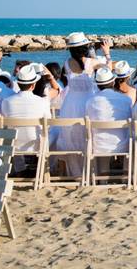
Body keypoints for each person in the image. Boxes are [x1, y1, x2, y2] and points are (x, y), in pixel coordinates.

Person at [53, 32, 110, 178]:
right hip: (87, 102)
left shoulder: (66, 63)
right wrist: (107, 53)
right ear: (84, 47)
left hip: (70, 103)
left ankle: (76, 172)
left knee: (71, 138)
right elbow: (107, 69)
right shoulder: (91, 62)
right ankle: (90, 171)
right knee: (88, 137)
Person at [1, 64, 52, 172]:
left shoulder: (7, 101)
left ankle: (19, 170)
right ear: (33, 85)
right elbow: (48, 123)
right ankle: (41, 169)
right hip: (36, 143)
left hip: (14, 143)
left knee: (13, 131)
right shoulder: (42, 101)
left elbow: (5, 123)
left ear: (18, 84)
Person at [84, 67, 133, 176]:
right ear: (113, 82)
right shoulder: (126, 100)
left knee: (101, 138)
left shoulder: (90, 101)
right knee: (130, 136)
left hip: (99, 145)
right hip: (123, 145)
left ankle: (103, 177)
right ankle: (126, 175)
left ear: (97, 85)